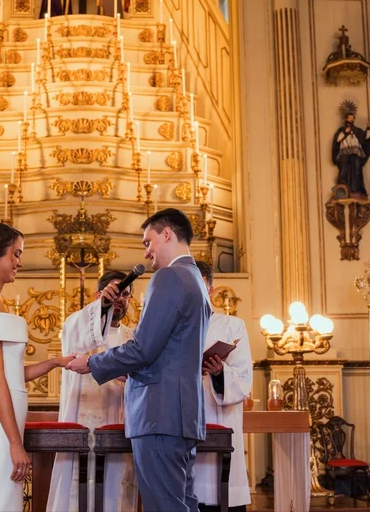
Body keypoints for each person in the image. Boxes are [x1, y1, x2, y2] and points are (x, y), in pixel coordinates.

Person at [67, 208, 211, 512]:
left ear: (167, 233)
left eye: (149, 241)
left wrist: (92, 364)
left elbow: (143, 349)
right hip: (183, 414)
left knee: (165, 507)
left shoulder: (169, 277)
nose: (147, 252)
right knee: (183, 504)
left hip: (159, 413)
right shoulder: (196, 279)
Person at [0, 223, 73, 512]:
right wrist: (15, 443)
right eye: (15, 254)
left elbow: (12, 375)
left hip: (4, 420)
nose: (19, 261)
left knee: (5, 500)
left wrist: (56, 362)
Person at [46, 270, 138, 512]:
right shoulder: (81, 326)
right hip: (84, 425)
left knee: (117, 488)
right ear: (99, 294)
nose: (120, 298)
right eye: (114, 292)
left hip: (122, 424)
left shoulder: (133, 337)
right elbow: (79, 335)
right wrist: (101, 306)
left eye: (125, 294)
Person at [194, 261, 253, 512]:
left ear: (210, 289)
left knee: (220, 494)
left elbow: (243, 380)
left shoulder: (232, 326)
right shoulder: (170, 326)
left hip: (218, 417)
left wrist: (219, 373)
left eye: (199, 284)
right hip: (182, 420)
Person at [331, 109, 370, 197]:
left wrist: (369, 128)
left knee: (357, 169)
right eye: (350, 118)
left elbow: (366, 137)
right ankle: (342, 187)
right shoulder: (341, 129)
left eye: (353, 118)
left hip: (356, 152)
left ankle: (356, 188)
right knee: (344, 168)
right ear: (346, 119)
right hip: (345, 152)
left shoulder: (357, 130)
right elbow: (337, 139)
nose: (351, 119)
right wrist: (345, 132)